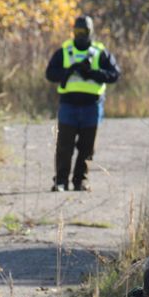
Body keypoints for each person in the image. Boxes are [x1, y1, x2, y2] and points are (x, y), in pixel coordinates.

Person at [45, 15, 121, 192]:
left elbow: (115, 75)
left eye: (84, 32)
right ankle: (61, 182)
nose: (80, 35)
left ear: (91, 32)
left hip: (91, 107)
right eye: (77, 31)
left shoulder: (100, 52)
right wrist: (68, 71)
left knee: (87, 148)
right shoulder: (64, 51)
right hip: (68, 106)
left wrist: (93, 73)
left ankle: (80, 181)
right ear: (73, 32)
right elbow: (50, 74)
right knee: (64, 146)